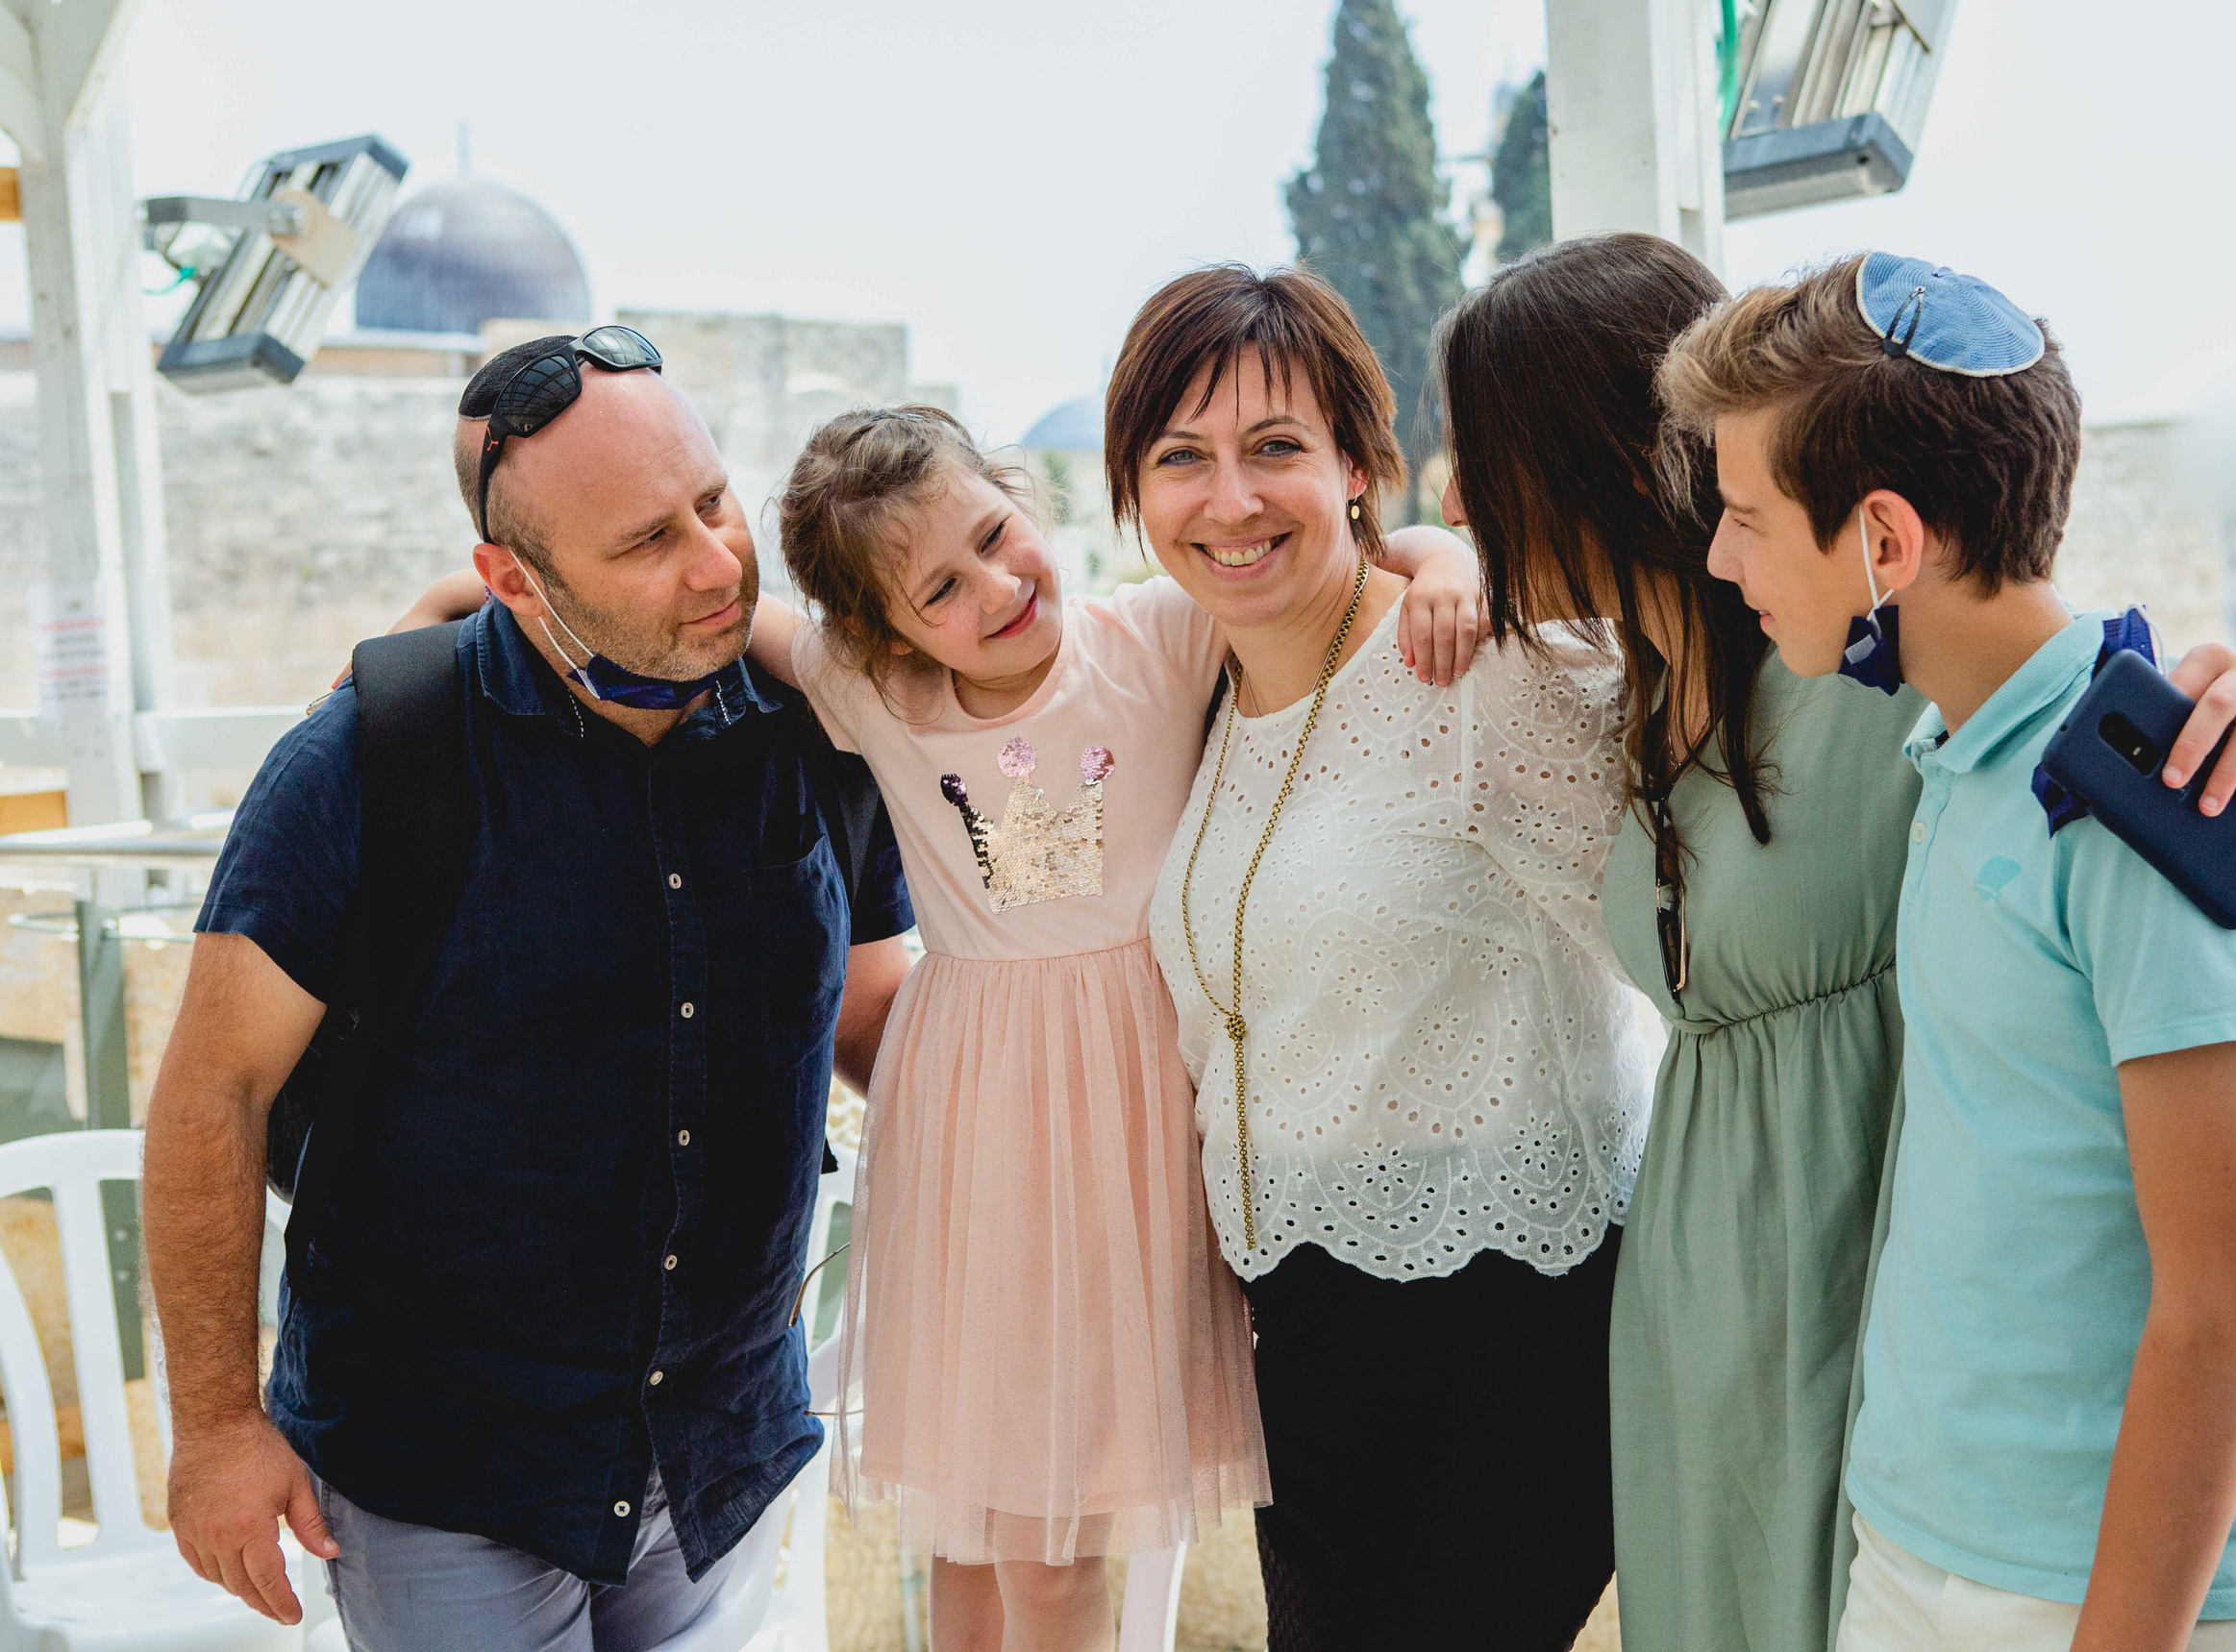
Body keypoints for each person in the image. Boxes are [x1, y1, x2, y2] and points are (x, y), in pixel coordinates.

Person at [1429, 233, 2236, 1652]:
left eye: (1741, 509)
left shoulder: (2049, 768)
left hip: (2058, 1532)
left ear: (1876, 541)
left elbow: (2226, 1308)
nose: (1720, 543)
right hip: (1903, 1500)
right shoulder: (1945, 753)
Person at [142, 330, 914, 1652]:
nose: (718, 563)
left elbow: (877, 1025)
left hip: (723, 1447)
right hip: (444, 1468)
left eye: (713, 505)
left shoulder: (819, 733)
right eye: (645, 544)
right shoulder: (368, 758)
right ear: (512, 579)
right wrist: (215, 1426)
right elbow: (215, 1090)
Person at [740, 404, 1481, 1652]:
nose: (993, 586)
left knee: (1062, 1528)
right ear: (884, 628)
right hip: (971, 1125)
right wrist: (458, 600)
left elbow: (1358, 561)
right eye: (940, 588)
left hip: (1131, 1116)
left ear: (1026, 496)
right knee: (973, 1513)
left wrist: (1451, 561)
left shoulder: (1156, 636)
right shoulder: (872, 689)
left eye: (994, 532)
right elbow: (731, 619)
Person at [1111, 264, 1655, 1652]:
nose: (1229, 501)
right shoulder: (1197, 700)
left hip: (1511, 1332)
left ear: (1360, 464)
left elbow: (1735, 775)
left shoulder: (1485, 676)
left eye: (1276, 449)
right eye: (1181, 460)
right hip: (1302, 1347)